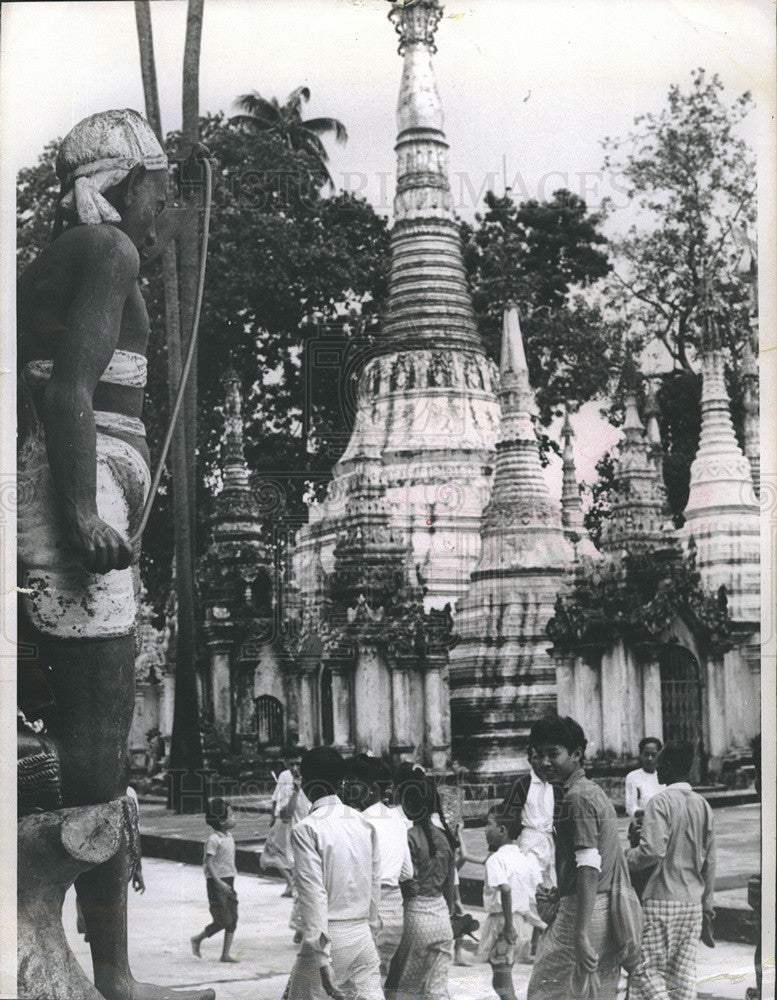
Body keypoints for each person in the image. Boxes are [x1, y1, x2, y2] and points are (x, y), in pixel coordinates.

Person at [17, 107, 212, 1000]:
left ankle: (108, 966)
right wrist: (82, 512)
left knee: (100, 731)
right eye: (159, 182)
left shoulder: (77, 258)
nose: (168, 200)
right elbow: (66, 391)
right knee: (98, 735)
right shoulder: (107, 254)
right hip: (81, 487)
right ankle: (116, 975)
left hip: (96, 477)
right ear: (121, 182)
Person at [527, 715, 625, 1000]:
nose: (545, 762)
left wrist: (580, 935)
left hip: (583, 911)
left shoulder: (577, 797)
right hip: (598, 906)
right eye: (539, 755)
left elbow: (590, 865)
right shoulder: (588, 791)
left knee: (544, 992)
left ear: (577, 754)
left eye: (553, 754)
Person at [285, 746, 383, 1000]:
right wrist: (371, 928)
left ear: (305, 783)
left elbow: (313, 894)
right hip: (362, 933)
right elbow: (374, 883)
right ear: (340, 783)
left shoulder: (307, 829)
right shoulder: (362, 822)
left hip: (330, 936)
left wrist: (320, 957)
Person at [628, 741, 716, 1000]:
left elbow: (652, 852)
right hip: (692, 903)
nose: (655, 768)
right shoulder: (703, 805)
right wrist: (708, 904)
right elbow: (710, 862)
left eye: (659, 762)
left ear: (667, 765)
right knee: (684, 975)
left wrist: (626, 857)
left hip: (661, 899)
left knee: (644, 970)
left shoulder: (659, 802)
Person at [386, 771, 456, 1000]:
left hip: (416, 917)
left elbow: (408, 883)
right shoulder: (445, 838)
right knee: (436, 989)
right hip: (441, 917)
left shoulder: (408, 837)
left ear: (408, 804)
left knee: (404, 987)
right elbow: (449, 886)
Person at [344, 755, 413, 982]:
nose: (347, 788)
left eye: (353, 783)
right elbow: (407, 873)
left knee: (360, 982)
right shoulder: (398, 820)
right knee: (378, 977)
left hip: (367, 907)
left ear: (372, 788)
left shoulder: (359, 821)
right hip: (394, 910)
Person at [478, 805, 547, 1000]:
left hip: (503, 922)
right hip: (520, 921)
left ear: (502, 830)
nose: (485, 830)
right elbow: (535, 890)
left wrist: (508, 926)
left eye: (489, 824)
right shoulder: (522, 858)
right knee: (502, 977)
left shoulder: (496, 859)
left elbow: (506, 890)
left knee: (502, 980)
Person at [501, 731, 563, 886]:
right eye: (536, 757)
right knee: (531, 882)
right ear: (529, 760)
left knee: (551, 883)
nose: (541, 762)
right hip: (530, 842)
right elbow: (507, 815)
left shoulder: (556, 784)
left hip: (551, 842)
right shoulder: (522, 785)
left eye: (543, 757)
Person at [191, 797, 239, 963]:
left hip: (229, 880)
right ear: (221, 821)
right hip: (217, 883)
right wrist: (219, 882)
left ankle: (225, 954)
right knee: (223, 920)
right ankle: (197, 939)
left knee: (233, 918)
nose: (235, 817)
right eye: (231, 815)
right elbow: (208, 863)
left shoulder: (228, 836)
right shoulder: (214, 839)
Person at [262, 751, 310, 897]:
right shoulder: (284, 776)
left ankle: (294, 885)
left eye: (298, 764)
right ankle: (291, 883)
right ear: (285, 763)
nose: (295, 768)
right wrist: (273, 815)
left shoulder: (309, 777)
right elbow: (277, 797)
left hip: (304, 822)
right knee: (275, 852)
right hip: (286, 820)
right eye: (291, 764)